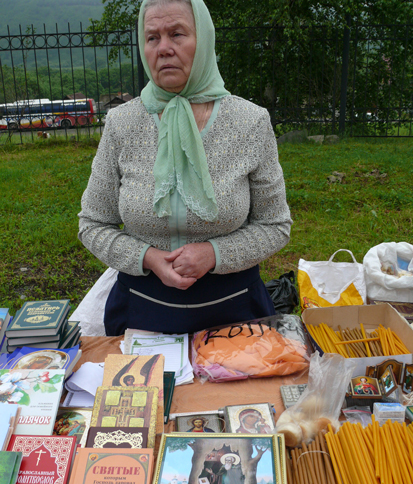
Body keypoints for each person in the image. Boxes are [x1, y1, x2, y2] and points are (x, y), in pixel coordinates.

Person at [78, 0, 292, 335]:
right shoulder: (122, 123)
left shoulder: (250, 122)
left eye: (177, 34)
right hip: (142, 310)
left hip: (234, 310)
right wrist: (149, 257)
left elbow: (275, 225)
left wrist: (213, 253)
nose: (163, 48)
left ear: (203, 40)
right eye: (152, 38)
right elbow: (92, 223)